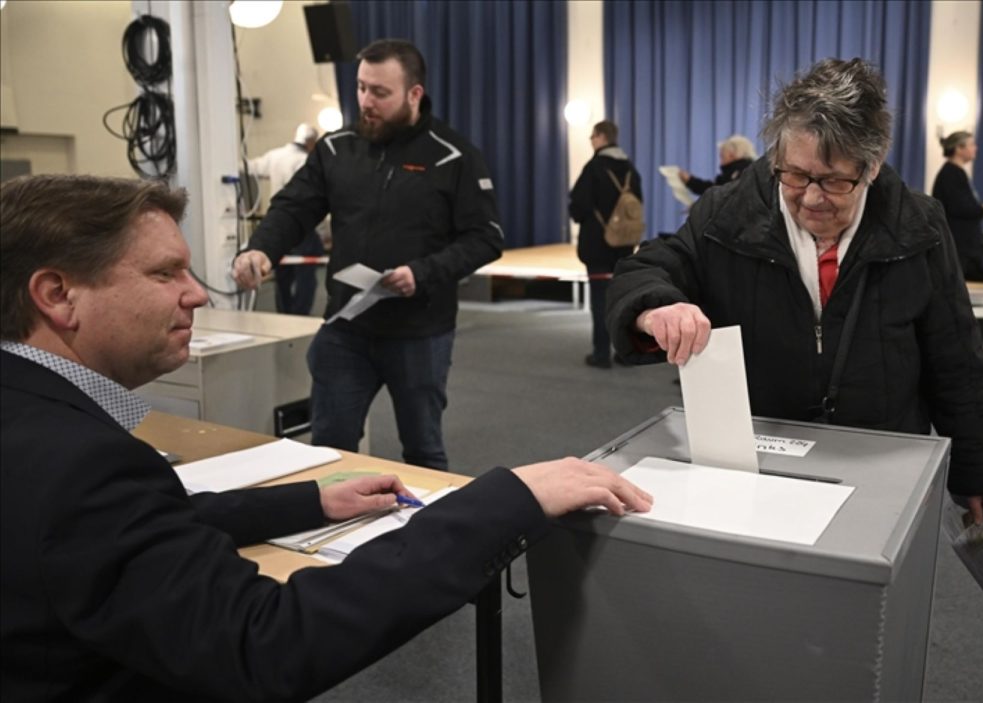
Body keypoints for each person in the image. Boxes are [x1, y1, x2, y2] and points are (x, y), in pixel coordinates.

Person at [0, 174, 652, 701]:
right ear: (58, 294)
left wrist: (308, 501)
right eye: (164, 273)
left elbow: (126, 528)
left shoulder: (38, 428)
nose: (197, 294)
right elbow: (267, 643)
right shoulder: (86, 462)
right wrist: (502, 501)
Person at [607, 58, 983, 527]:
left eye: (836, 181)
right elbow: (646, 268)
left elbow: (957, 359)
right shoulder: (725, 215)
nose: (813, 198)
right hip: (759, 466)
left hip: (880, 467)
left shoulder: (919, 226)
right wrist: (656, 306)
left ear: (873, 165)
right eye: (795, 175)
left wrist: (979, 469)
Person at [233, 40, 503, 468]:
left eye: (380, 92)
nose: (366, 101)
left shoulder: (454, 156)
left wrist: (423, 272)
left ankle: (428, 534)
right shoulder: (337, 147)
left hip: (420, 332)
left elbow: (486, 237)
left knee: (422, 452)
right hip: (346, 329)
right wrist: (261, 250)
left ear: (414, 94)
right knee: (329, 449)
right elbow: (293, 206)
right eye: (361, 88)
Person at [569, 120, 643, 369]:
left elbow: (578, 205)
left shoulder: (594, 167)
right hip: (624, 244)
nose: (591, 141)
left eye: (592, 137)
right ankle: (624, 352)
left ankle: (601, 354)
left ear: (601, 137)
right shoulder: (631, 169)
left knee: (600, 299)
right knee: (621, 298)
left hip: (598, 243)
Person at [246, 123, 325, 316]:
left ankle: (284, 313)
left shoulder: (275, 155)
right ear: (311, 141)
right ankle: (300, 315)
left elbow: (249, 167)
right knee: (306, 275)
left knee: (282, 273)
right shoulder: (307, 160)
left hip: (278, 225)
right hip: (303, 229)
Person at [931, 130, 983, 282]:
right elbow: (961, 207)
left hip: (961, 245)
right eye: (971, 144)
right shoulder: (952, 174)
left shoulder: (954, 173)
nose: (975, 148)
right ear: (959, 148)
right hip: (959, 246)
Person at [677, 134, 757, 197]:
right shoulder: (751, 170)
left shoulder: (744, 173)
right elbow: (713, 190)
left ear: (731, 155)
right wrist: (689, 180)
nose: (720, 162)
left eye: (722, 156)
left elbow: (721, 196)